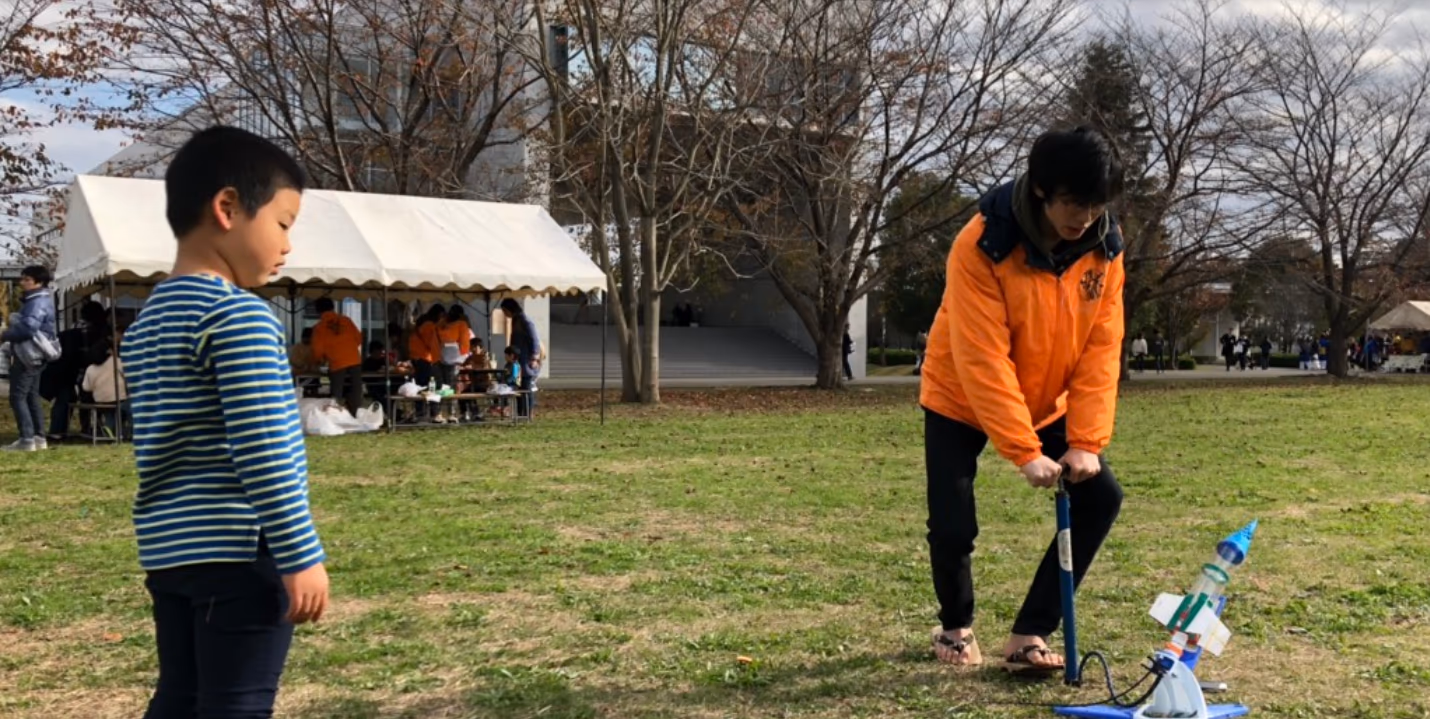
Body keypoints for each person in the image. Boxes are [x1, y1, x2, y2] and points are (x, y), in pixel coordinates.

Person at [119, 125, 329, 718]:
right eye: (284, 224)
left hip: (169, 552)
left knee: (180, 699)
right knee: (237, 705)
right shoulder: (239, 317)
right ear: (228, 207)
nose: (288, 245)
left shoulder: (145, 327)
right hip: (240, 551)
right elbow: (264, 450)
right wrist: (299, 553)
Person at [918, 125, 1126, 674]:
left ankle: (1030, 633)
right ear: (1040, 190)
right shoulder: (982, 245)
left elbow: (1101, 349)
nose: (1084, 217)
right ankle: (955, 628)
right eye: (1073, 203)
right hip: (959, 391)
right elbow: (982, 357)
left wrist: (1084, 441)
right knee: (953, 518)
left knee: (1101, 496)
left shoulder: (1105, 249)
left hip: (1047, 397)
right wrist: (1022, 450)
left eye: (1096, 203)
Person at [3, 265, 58, 452]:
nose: (22, 283)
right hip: (36, 355)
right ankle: (38, 437)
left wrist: (4, 334)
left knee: (17, 396)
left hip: (29, 355)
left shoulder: (36, 302)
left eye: (27, 279)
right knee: (31, 396)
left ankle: (26, 439)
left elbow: (27, 328)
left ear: (39, 282)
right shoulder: (40, 300)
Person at [310, 297, 363, 416]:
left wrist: (319, 360)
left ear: (317, 310)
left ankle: (337, 416)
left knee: (337, 393)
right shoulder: (346, 320)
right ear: (333, 307)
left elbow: (317, 350)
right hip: (354, 360)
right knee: (355, 391)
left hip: (337, 363)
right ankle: (356, 415)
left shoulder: (319, 327)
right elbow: (359, 339)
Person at [82, 324, 131, 439]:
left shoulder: (90, 368)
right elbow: (129, 378)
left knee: (109, 412)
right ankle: (128, 431)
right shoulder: (118, 362)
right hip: (119, 399)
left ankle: (109, 429)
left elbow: (86, 388)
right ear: (110, 351)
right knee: (129, 406)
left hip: (100, 401)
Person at [500, 298, 541, 417]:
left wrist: (534, 356)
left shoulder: (524, 320)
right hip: (517, 358)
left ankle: (527, 413)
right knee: (519, 386)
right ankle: (520, 412)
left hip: (525, 358)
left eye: (504, 311)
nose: (504, 314)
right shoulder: (515, 319)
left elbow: (534, 339)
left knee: (526, 387)